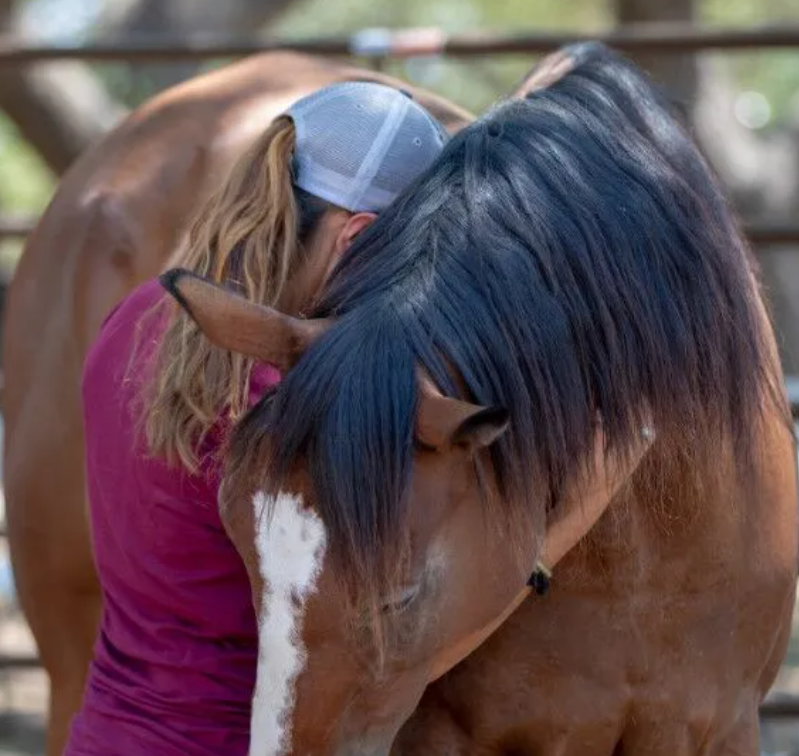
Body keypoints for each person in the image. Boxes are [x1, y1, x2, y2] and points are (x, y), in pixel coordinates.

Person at [64, 81, 448, 756]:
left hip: (105, 734)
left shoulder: (131, 318)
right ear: (355, 238)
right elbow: (378, 639)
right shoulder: (289, 394)